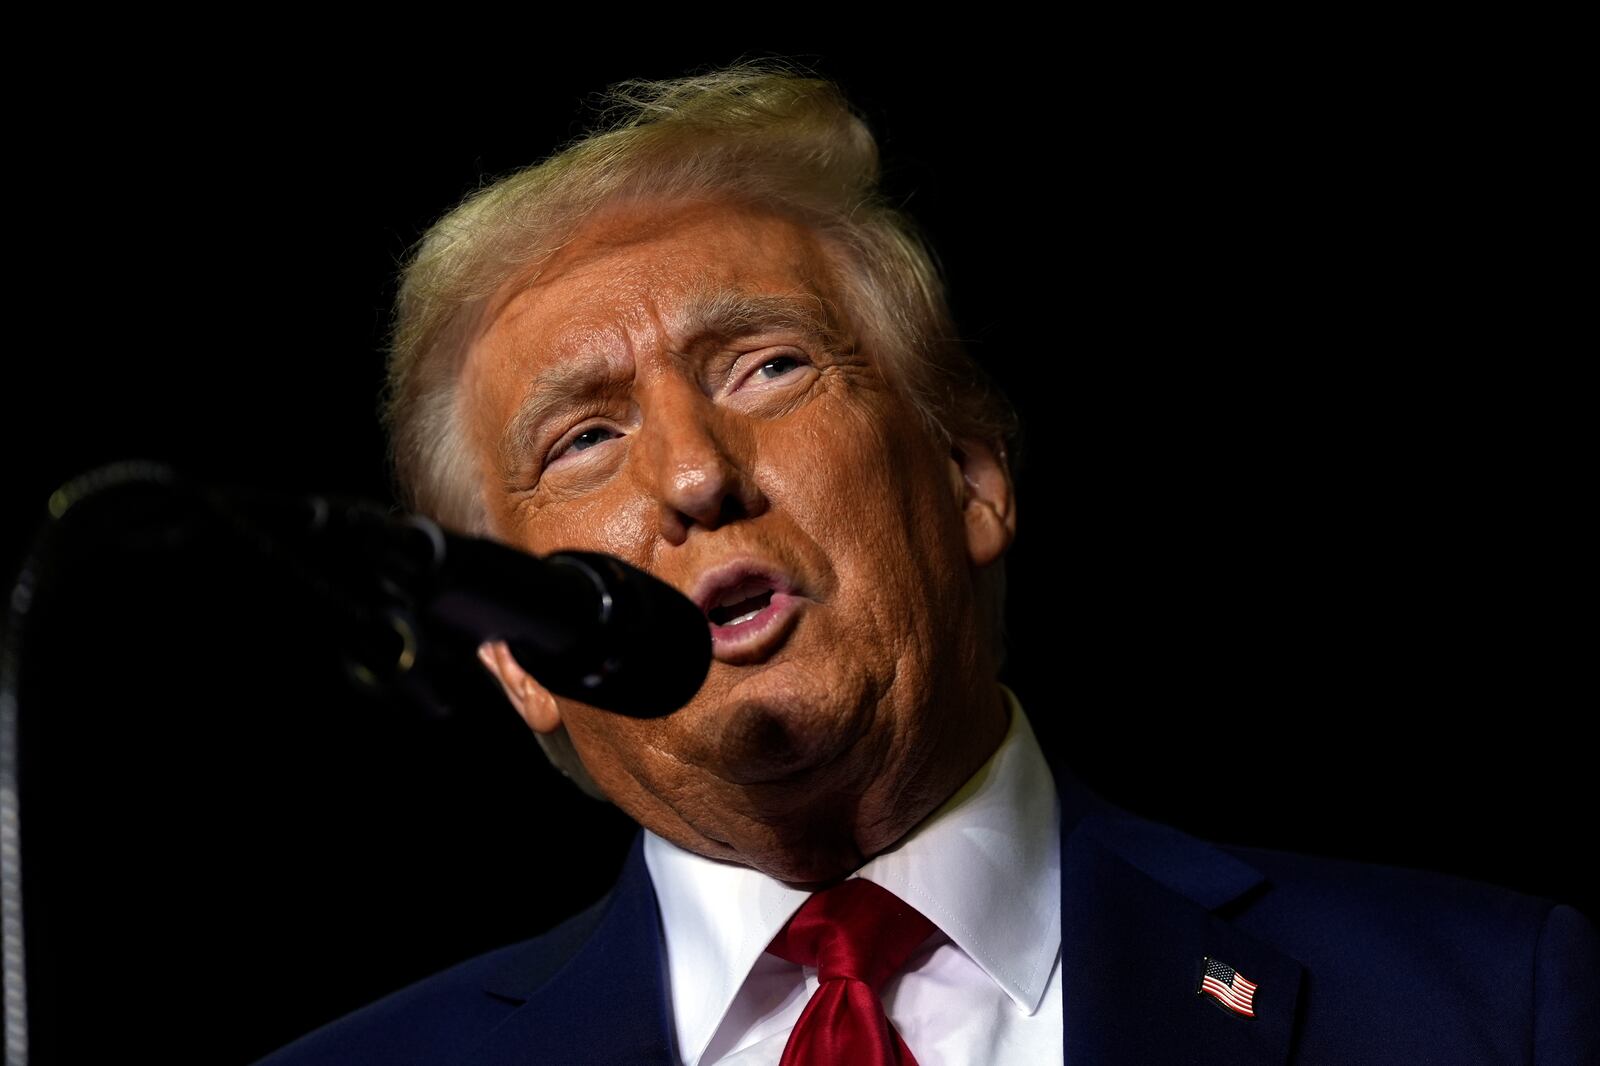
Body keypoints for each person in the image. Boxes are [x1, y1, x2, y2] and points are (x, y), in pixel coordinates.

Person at [258, 63, 1598, 1065]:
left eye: (767, 365)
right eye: (585, 436)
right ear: (514, 653)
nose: (689, 473)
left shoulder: (1476, 1006)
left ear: (971, 474)